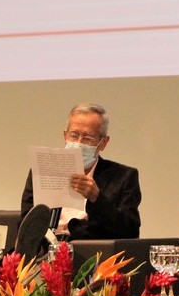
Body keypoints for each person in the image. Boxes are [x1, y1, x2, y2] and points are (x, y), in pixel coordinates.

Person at [20, 103, 141, 246]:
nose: (78, 143)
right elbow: (25, 225)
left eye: (87, 138)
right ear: (65, 136)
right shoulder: (43, 171)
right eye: (74, 135)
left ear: (103, 143)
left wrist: (97, 198)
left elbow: (130, 231)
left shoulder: (124, 177)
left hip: (91, 251)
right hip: (45, 250)